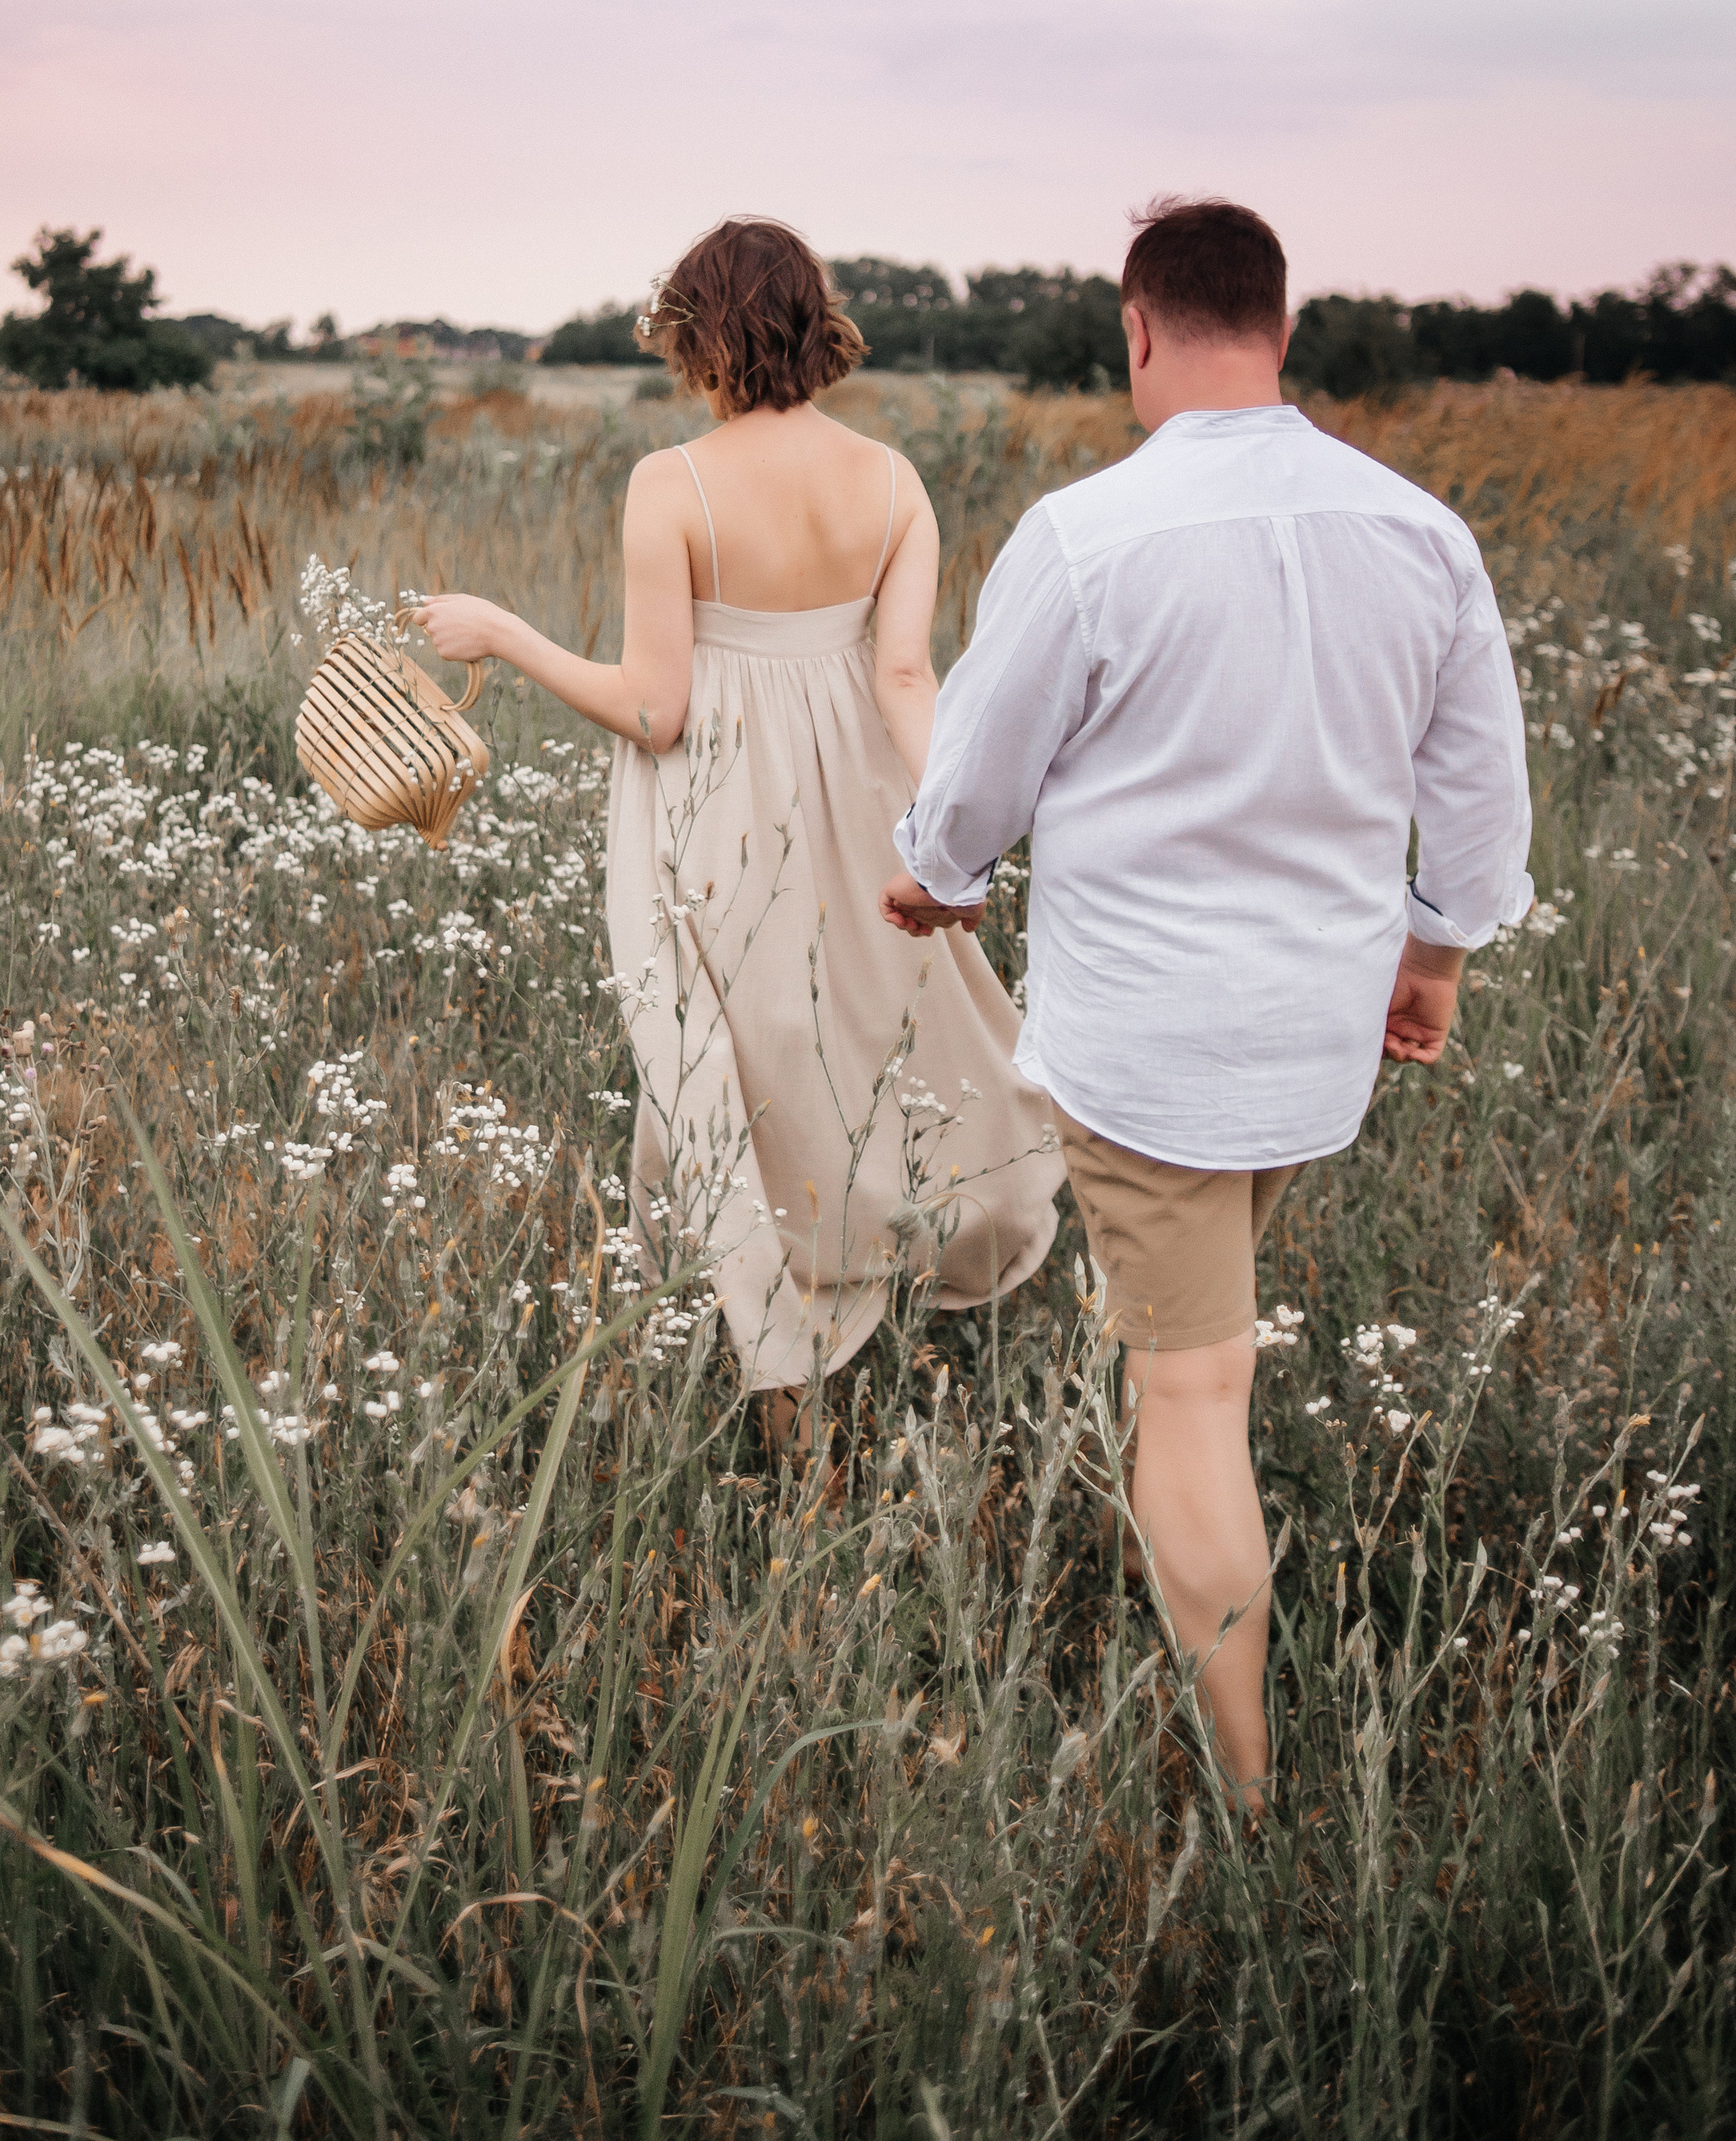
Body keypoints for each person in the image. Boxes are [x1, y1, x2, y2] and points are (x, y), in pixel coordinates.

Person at [880, 196, 1532, 1810]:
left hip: (1151, 1041)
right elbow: (1475, 792)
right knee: (1197, 1341)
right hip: (1311, 1039)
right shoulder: (1417, 530)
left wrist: (933, 871)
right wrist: (1433, 954)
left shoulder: (1083, 534)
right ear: (1284, 328)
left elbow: (976, 767)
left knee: (1189, 1385)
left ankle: (1245, 1798)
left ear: (1136, 327)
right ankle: (1202, 1601)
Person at [412, 216, 1065, 1445]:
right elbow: (909, 678)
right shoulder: (892, 482)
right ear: (815, 328)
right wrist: (959, 839)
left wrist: (502, 632)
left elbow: (655, 712)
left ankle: (794, 1418)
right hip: (870, 807)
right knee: (869, 1053)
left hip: (722, 822)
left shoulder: (675, 483)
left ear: (700, 336)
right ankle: (874, 1330)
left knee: (736, 1084)